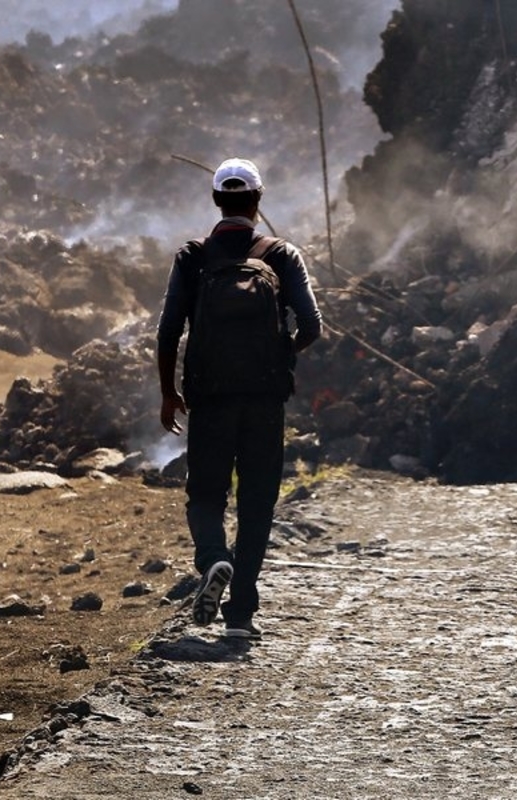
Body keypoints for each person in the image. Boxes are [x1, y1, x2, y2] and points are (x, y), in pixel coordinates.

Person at [156, 157, 322, 639]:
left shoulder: (193, 255)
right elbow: (312, 326)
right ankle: (242, 613)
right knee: (257, 501)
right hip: (265, 400)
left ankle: (213, 559)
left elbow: (168, 333)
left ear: (215, 201)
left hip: (208, 397)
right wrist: (278, 352)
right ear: (258, 200)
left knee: (205, 495)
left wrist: (170, 394)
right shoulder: (282, 254)